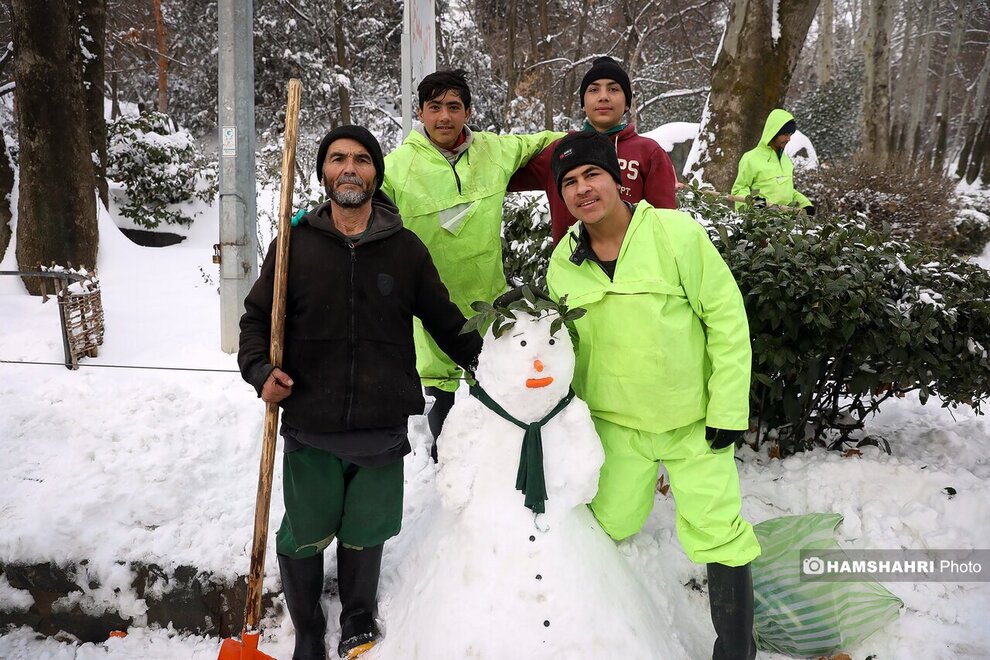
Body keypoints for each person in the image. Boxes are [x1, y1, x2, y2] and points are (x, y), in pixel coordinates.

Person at [238, 125, 482, 660]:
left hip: (380, 419)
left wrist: (489, 360)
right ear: (323, 171)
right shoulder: (295, 243)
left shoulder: (405, 249)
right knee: (303, 530)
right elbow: (257, 319)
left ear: (377, 172)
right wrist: (260, 371)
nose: (350, 167)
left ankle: (356, 615)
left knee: (366, 530)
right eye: (338, 158)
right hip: (310, 419)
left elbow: (444, 320)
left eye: (362, 159)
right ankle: (307, 630)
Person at [545, 131, 762, 660]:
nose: (582, 189)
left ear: (617, 179)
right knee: (607, 523)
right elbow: (563, 350)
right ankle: (601, 628)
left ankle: (736, 649)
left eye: (592, 174)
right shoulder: (564, 264)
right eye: (569, 182)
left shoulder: (675, 234)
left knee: (719, 531)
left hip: (693, 422)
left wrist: (729, 407)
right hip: (618, 426)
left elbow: (727, 320)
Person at [381, 69, 560, 459]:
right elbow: (361, 205)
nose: (444, 116)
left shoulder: (494, 150)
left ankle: (498, 457)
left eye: (453, 107)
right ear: (421, 112)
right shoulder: (397, 167)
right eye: (434, 108)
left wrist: (611, 146)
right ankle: (444, 459)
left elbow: (551, 142)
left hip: (488, 298)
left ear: (467, 111)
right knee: (441, 388)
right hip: (429, 302)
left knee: (494, 381)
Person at [508, 56, 678, 244]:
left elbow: (665, 222)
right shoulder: (560, 150)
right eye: (594, 89)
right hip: (571, 266)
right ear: (583, 103)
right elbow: (501, 175)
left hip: (632, 266)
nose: (603, 96)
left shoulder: (649, 152)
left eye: (613, 89)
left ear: (627, 102)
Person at [731, 108, 814, 213]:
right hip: (759, 224)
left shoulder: (785, 160)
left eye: (790, 135)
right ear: (773, 133)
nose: (789, 139)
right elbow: (739, 190)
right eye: (785, 134)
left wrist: (805, 204)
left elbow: (787, 191)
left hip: (784, 224)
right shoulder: (750, 159)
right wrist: (754, 204)